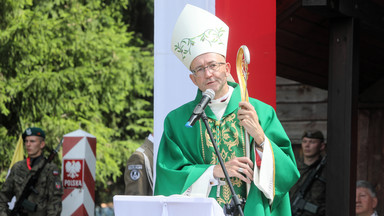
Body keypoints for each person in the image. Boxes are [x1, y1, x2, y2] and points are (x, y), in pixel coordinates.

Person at [154, 4, 300, 215]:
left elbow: (288, 173)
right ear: (193, 79)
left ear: (227, 69)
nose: (209, 73)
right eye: (200, 69)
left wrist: (260, 138)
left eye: (214, 65)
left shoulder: (260, 112)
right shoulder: (178, 121)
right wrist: (214, 172)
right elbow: (168, 177)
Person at [0, 127, 63, 216]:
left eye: (32, 141)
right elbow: (3, 197)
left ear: (42, 144)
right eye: (26, 141)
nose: (28, 144)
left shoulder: (50, 169)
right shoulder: (17, 167)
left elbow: (55, 203)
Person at [290, 130, 326, 216]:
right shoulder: (294, 168)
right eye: (304, 141)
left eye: (312, 142)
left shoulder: (326, 171)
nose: (307, 145)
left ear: (321, 146)